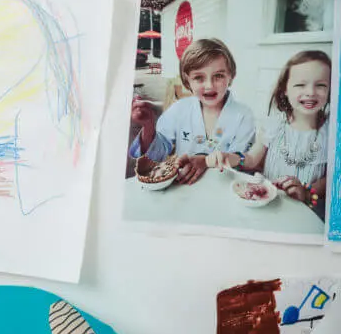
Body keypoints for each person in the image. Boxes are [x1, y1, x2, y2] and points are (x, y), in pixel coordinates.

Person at [208, 51, 330, 214]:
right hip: (267, 205)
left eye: (321, 85)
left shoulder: (332, 132)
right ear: (285, 89)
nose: (311, 92)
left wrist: (307, 192)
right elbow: (251, 159)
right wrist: (230, 157)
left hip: (307, 212)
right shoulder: (274, 124)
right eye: (300, 85)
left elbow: (331, 179)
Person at [128, 38, 256, 185]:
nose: (209, 85)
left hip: (223, 189)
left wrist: (206, 161)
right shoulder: (179, 109)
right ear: (187, 80)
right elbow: (157, 155)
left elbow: (241, 161)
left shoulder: (243, 115)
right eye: (198, 78)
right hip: (184, 187)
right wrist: (149, 126)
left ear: (231, 76)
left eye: (218, 76)